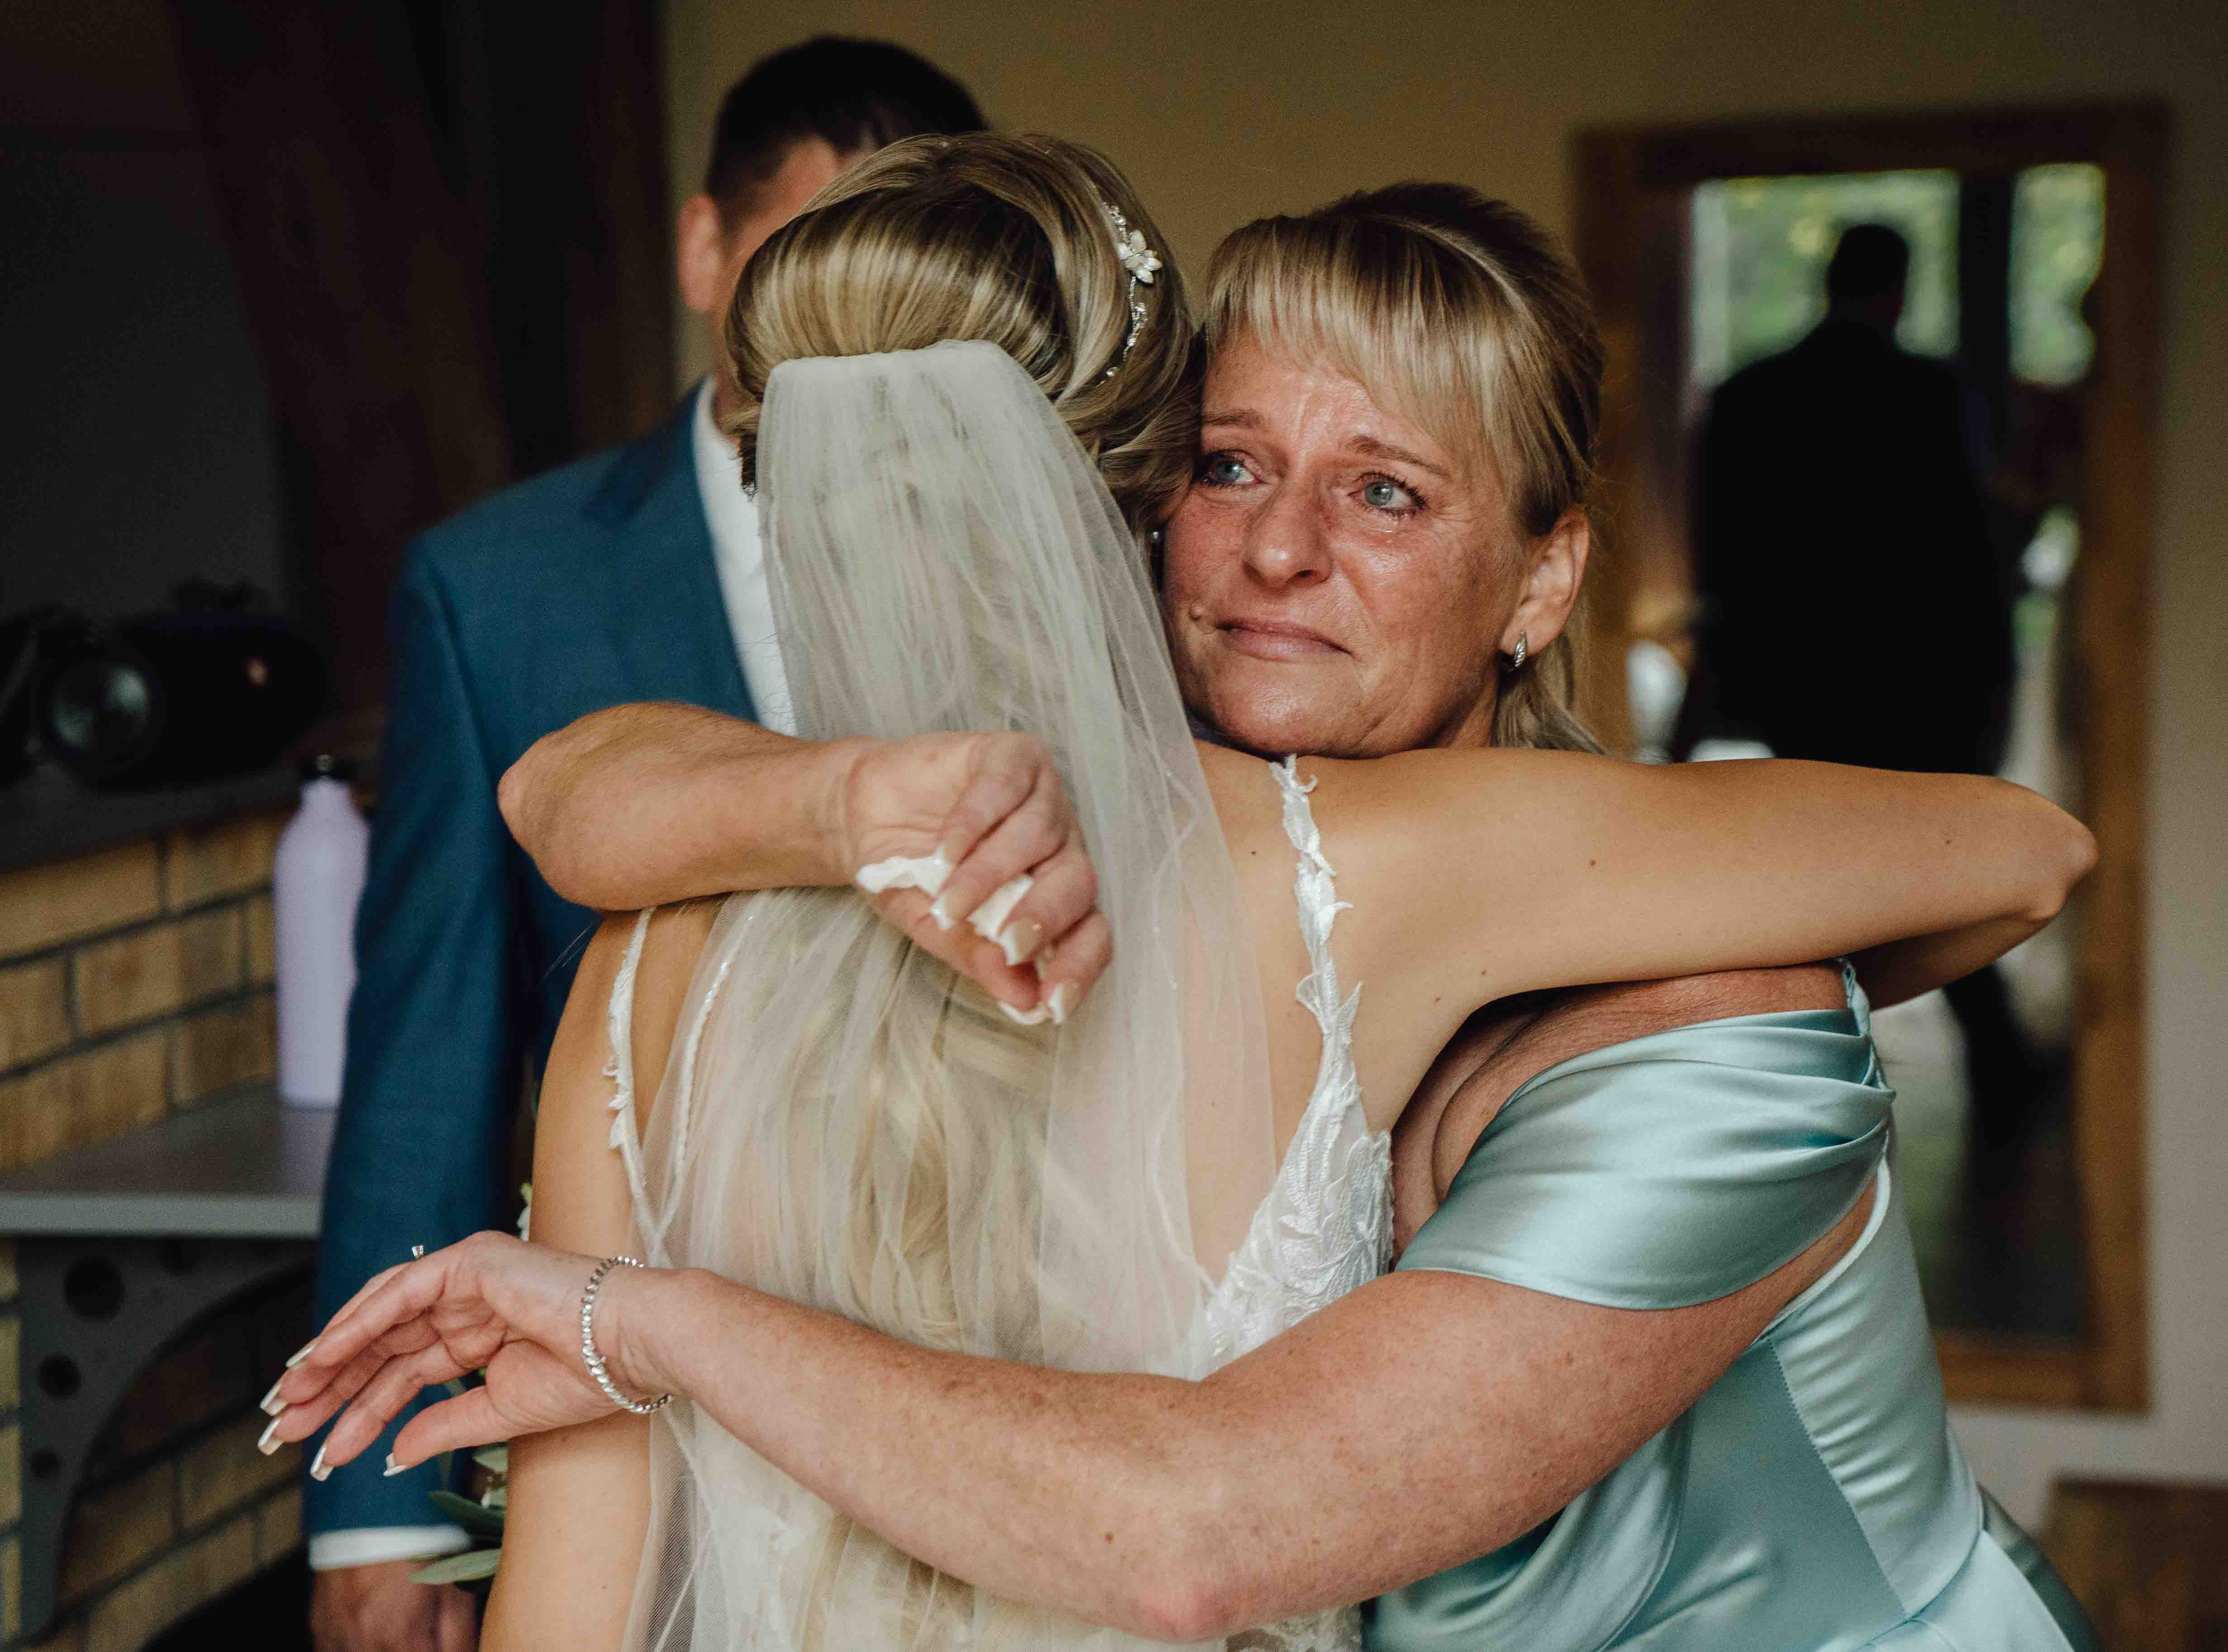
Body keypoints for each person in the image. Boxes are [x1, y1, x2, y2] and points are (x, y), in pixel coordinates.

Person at [275, 162, 2100, 1650]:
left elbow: (2024, 851)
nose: (1279, 549)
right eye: (1230, 466)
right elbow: (566, 785)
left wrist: (638, 1317)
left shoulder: (1564, 930)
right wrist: (840, 805)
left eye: (1382, 491)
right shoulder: (1239, 872)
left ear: (1547, 579)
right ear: (1131, 498)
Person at [305, 38, 984, 1652]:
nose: (845, 340)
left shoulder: (1041, 562)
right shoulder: (501, 586)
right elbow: (431, 1052)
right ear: (702, 252)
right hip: (611, 1410)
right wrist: (381, 1505)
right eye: (797, 270)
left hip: (971, 1385)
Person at [1690, 219, 2044, 1135]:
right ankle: (1989, 1072)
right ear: (1898, 288)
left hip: (1800, 685)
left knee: (1825, 890)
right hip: (1922, 682)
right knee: (1939, 884)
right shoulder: (1934, 394)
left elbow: (1719, 557)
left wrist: (1728, 678)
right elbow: (1974, 554)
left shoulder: (1749, 395)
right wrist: (1993, 682)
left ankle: (1821, 1097)